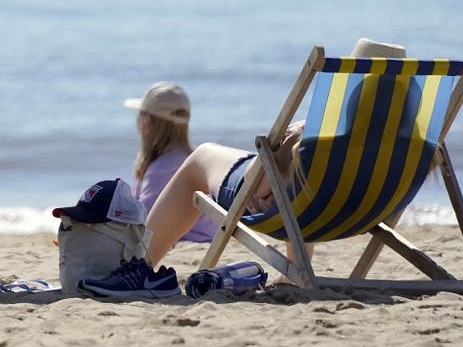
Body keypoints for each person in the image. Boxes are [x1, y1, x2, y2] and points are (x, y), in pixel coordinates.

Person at [142, 38, 407, 269]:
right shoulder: (411, 144)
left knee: (201, 158)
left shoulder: (318, 134)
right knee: (299, 182)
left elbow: (260, 186)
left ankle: (141, 263)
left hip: (290, 208)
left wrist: (274, 150)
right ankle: (294, 269)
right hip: (360, 214)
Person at [124, 82, 215, 243]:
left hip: (196, 239)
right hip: (208, 235)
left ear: (147, 122)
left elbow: (142, 224)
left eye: (140, 114)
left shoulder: (162, 169)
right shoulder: (187, 158)